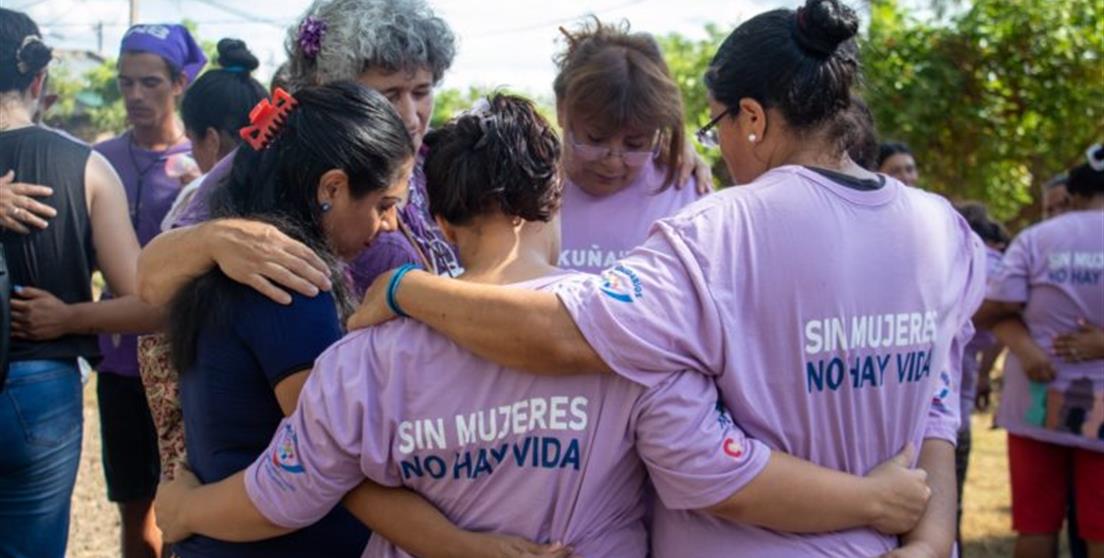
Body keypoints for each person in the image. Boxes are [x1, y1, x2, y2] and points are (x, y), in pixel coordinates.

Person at [331, 1, 987, 555]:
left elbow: (570, 338)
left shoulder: (716, 232)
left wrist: (405, 290)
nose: (717, 147)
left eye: (716, 125)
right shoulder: (944, 231)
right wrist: (928, 539)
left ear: (752, 118)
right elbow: (937, 403)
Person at [153, 93, 931, 557]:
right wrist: (867, 500)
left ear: (442, 218)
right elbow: (712, 467)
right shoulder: (633, 341)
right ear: (554, 198)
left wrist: (184, 509)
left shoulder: (362, 360)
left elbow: (283, 492)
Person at [0, 9, 144, 557]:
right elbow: (145, 302)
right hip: (42, 388)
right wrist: (70, 316)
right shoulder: (86, 166)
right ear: (40, 82)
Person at [975, 162, 1104, 558]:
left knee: (1035, 527)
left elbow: (988, 311)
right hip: (1099, 412)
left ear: (1074, 194)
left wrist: (1028, 346)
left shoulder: (1036, 239)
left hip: (1034, 403)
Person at [553, 19, 706, 273]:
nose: (613, 162)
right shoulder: (523, 194)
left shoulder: (686, 197)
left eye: (635, 145)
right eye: (595, 139)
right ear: (562, 109)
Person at [161, 38, 266, 231]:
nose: (192, 152)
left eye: (191, 140)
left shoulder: (200, 198)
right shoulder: (283, 189)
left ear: (211, 140)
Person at [953, 201, 1009, 554]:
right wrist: (987, 371)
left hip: (926, 407)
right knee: (949, 502)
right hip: (956, 408)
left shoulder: (949, 260)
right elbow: (999, 329)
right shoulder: (999, 268)